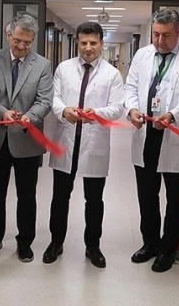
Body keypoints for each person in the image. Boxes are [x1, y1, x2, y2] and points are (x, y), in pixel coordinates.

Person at [124, 9, 179, 273]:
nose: (160, 41)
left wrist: (172, 115)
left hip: (173, 133)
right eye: (156, 34)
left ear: (178, 31)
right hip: (146, 133)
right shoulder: (142, 55)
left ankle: (168, 249)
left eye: (166, 35)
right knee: (146, 195)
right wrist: (132, 109)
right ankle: (149, 243)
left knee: (175, 198)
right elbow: (130, 87)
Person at [44, 22, 124, 268]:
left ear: (101, 43)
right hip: (67, 138)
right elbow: (54, 98)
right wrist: (64, 110)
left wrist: (96, 113)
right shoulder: (64, 68)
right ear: (77, 42)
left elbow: (117, 108)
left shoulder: (112, 74)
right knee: (60, 197)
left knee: (94, 199)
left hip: (93, 140)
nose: (88, 48)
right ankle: (56, 242)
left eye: (93, 43)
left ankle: (93, 245)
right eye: (83, 43)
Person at [0, 13, 53, 262]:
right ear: (8, 34)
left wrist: (30, 116)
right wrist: (3, 113)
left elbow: (45, 100)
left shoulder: (42, 65)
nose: (21, 46)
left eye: (27, 42)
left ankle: (25, 242)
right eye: (18, 40)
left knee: (27, 195)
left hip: (27, 139)